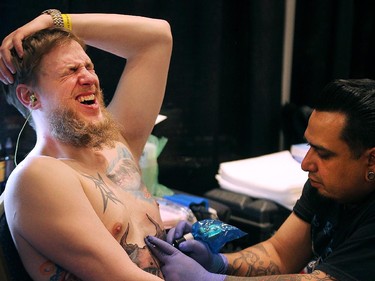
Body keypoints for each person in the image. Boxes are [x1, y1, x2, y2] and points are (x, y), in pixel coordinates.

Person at [0, 10, 172, 281]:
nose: (89, 78)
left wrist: (52, 20)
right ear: (30, 96)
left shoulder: (115, 145)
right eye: (71, 71)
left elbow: (157, 38)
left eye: (89, 67)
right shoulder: (39, 177)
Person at [145, 79, 375, 281]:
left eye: (324, 154)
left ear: (371, 160)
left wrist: (211, 279)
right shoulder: (327, 185)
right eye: (309, 146)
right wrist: (217, 263)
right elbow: (281, 253)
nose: (306, 164)